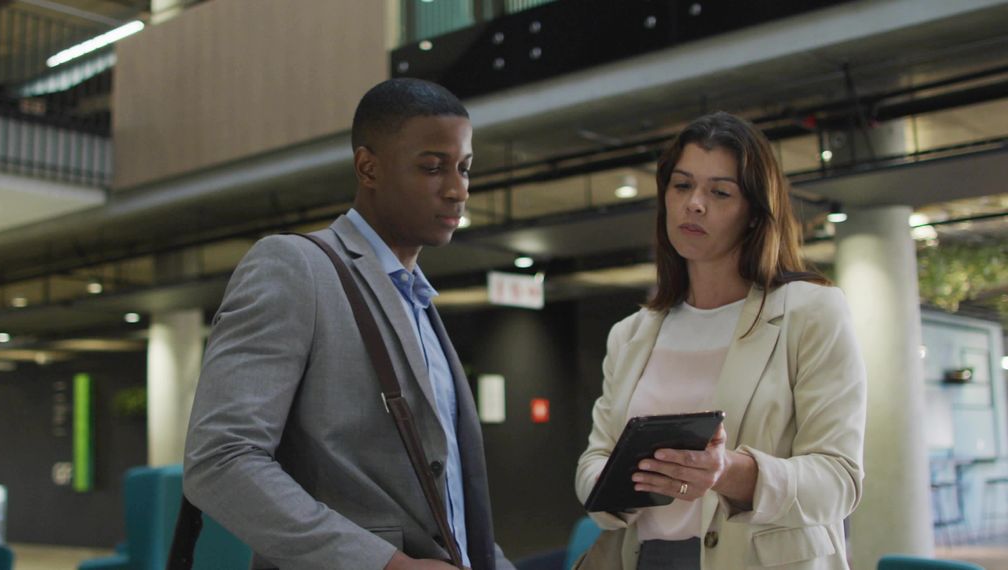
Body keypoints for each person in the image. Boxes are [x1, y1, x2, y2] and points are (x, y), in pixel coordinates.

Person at [184, 78, 514, 570]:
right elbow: (221, 458)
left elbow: (443, 499)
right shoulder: (296, 267)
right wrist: (385, 565)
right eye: (432, 167)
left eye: (465, 168)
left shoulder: (418, 300)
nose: (457, 189)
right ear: (369, 167)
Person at [575, 112, 866, 569]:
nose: (694, 204)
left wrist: (730, 473)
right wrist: (620, 483)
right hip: (645, 558)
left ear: (753, 213)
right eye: (681, 186)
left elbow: (839, 479)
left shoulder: (810, 312)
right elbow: (596, 457)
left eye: (720, 192)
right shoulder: (630, 335)